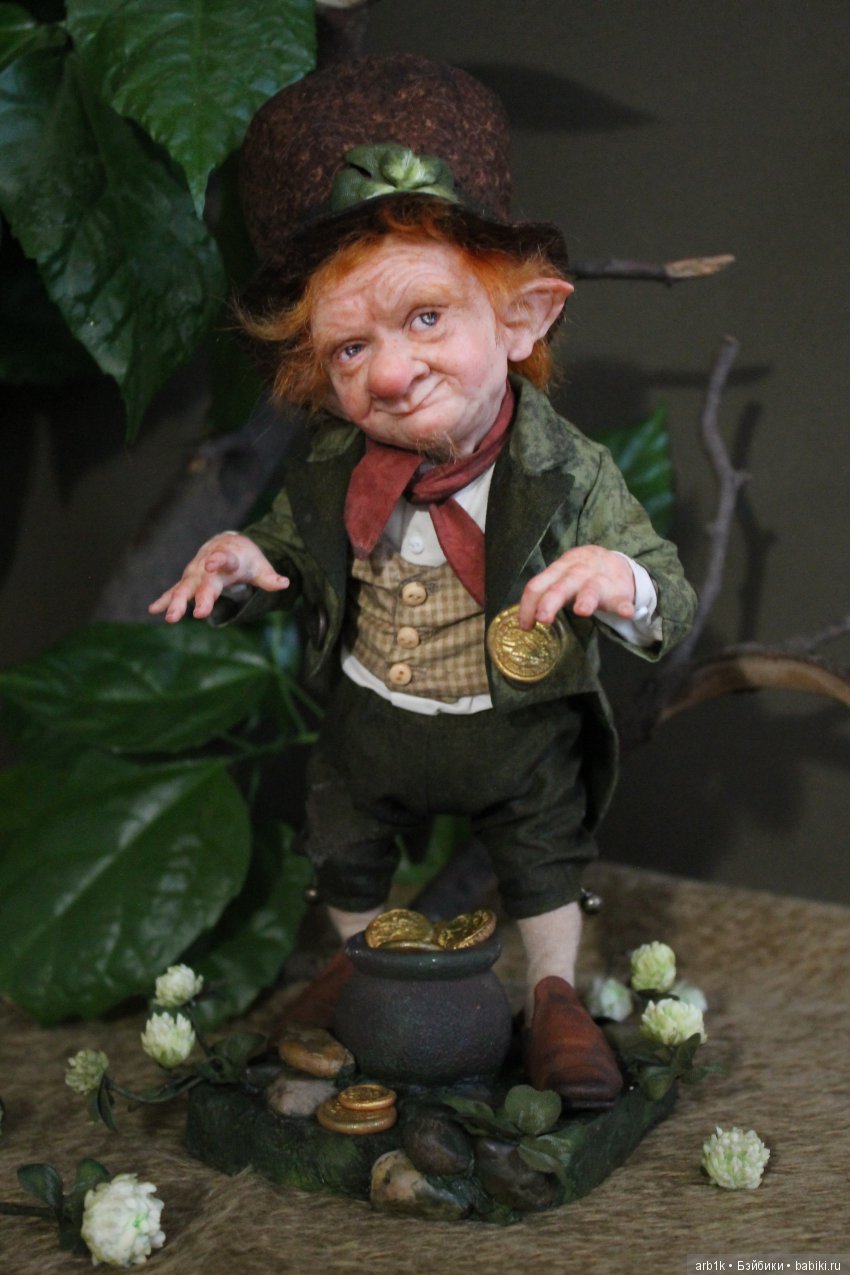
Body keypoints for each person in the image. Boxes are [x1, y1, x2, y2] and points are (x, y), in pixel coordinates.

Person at [150, 55, 697, 1108]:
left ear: (522, 318)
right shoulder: (331, 463)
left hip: (514, 728)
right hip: (373, 721)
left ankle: (552, 993)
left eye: (426, 319)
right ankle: (358, 956)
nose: (391, 374)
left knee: (543, 851)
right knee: (342, 837)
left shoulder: (567, 468)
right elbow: (293, 544)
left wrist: (618, 576)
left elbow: (666, 591)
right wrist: (246, 562)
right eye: (350, 349)